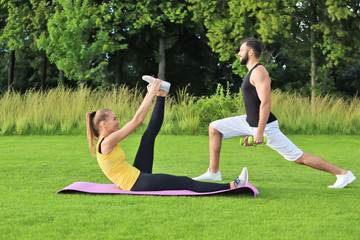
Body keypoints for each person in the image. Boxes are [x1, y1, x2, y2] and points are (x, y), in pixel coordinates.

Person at [193, 38, 356, 189]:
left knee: (298, 157)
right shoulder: (251, 72)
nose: (238, 53)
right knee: (215, 127)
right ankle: (214, 173)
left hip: (265, 127)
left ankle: (343, 174)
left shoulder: (259, 71)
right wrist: (251, 129)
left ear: (250, 52)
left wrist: (258, 132)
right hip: (249, 122)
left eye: (241, 50)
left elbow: (266, 103)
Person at [86, 78, 249, 192]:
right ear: (103, 124)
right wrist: (150, 93)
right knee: (184, 182)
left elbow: (138, 120)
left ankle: (162, 95)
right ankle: (233, 185)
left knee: (148, 136)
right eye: (114, 119)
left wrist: (155, 93)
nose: (118, 122)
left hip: (134, 175)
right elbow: (137, 120)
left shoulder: (106, 140)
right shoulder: (107, 142)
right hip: (134, 182)